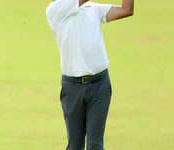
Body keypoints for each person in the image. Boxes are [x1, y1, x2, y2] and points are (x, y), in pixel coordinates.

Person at [46, 0, 134, 149]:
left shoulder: (92, 7)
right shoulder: (55, 9)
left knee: (95, 145)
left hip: (100, 84)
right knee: (75, 146)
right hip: (73, 88)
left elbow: (126, 10)